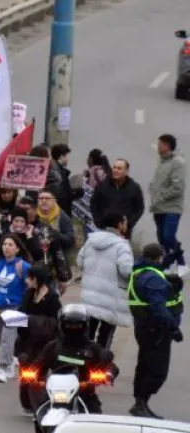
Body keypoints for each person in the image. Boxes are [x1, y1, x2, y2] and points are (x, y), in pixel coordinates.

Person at [128, 242, 183, 418]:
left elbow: (155, 268)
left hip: (145, 328)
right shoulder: (153, 279)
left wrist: (170, 259)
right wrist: (173, 328)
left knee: (144, 366)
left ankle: (140, 404)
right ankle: (141, 403)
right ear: (157, 258)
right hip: (156, 330)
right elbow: (158, 306)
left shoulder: (140, 270)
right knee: (157, 370)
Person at [31, 304, 114, 416]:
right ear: (62, 325)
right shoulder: (53, 347)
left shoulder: (92, 348)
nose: (73, 328)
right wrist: (31, 372)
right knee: (40, 413)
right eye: (69, 325)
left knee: (96, 417)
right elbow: (38, 364)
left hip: (84, 392)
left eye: (78, 325)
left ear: (85, 326)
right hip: (55, 393)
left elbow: (111, 366)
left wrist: (109, 373)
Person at [77, 210, 134, 349]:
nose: (126, 225)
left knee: (87, 334)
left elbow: (80, 262)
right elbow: (127, 271)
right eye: (125, 222)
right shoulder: (122, 246)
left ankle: (84, 363)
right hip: (111, 299)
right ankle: (100, 365)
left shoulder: (91, 241)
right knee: (105, 337)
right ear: (119, 225)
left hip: (90, 296)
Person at [15, 265, 61, 414]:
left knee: (39, 374)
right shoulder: (28, 294)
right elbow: (22, 312)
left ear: (36, 279)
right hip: (27, 340)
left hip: (45, 342)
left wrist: (35, 321)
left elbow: (56, 321)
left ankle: (39, 403)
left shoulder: (53, 298)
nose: (27, 281)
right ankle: (27, 403)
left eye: (29, 278)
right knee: (26, 372)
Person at [0, 234, 32, 383]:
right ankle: (10, 359)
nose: (7, 247)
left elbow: (31, 286)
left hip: (14, 307)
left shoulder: (23, 266)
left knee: (7, 336)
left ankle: (2, 368)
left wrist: (27, 305)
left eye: (11, 245)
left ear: (17, 249)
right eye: (5, 244)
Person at [149, 133, 186, 276]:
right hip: (158, 207)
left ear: (167, 146)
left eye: (160, 144)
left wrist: (160, 196)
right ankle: (168, 263)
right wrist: (152, 188)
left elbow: (178, 188)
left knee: (169, 236)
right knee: (162, 238)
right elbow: (159, 182)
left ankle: (182, 262)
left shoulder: (178, 162)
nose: (157, 147)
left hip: (172, 207)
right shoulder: (162, 161)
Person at [90, 158, 145, 230]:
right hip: (103, 228)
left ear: (126, 171)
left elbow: (139, 208)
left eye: (119, 168)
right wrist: (98, 221)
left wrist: (129, 223)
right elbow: (93, 203)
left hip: (123, 230)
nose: (115, 170)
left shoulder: (134, 188)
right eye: (114, 167)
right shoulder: (103, 185)